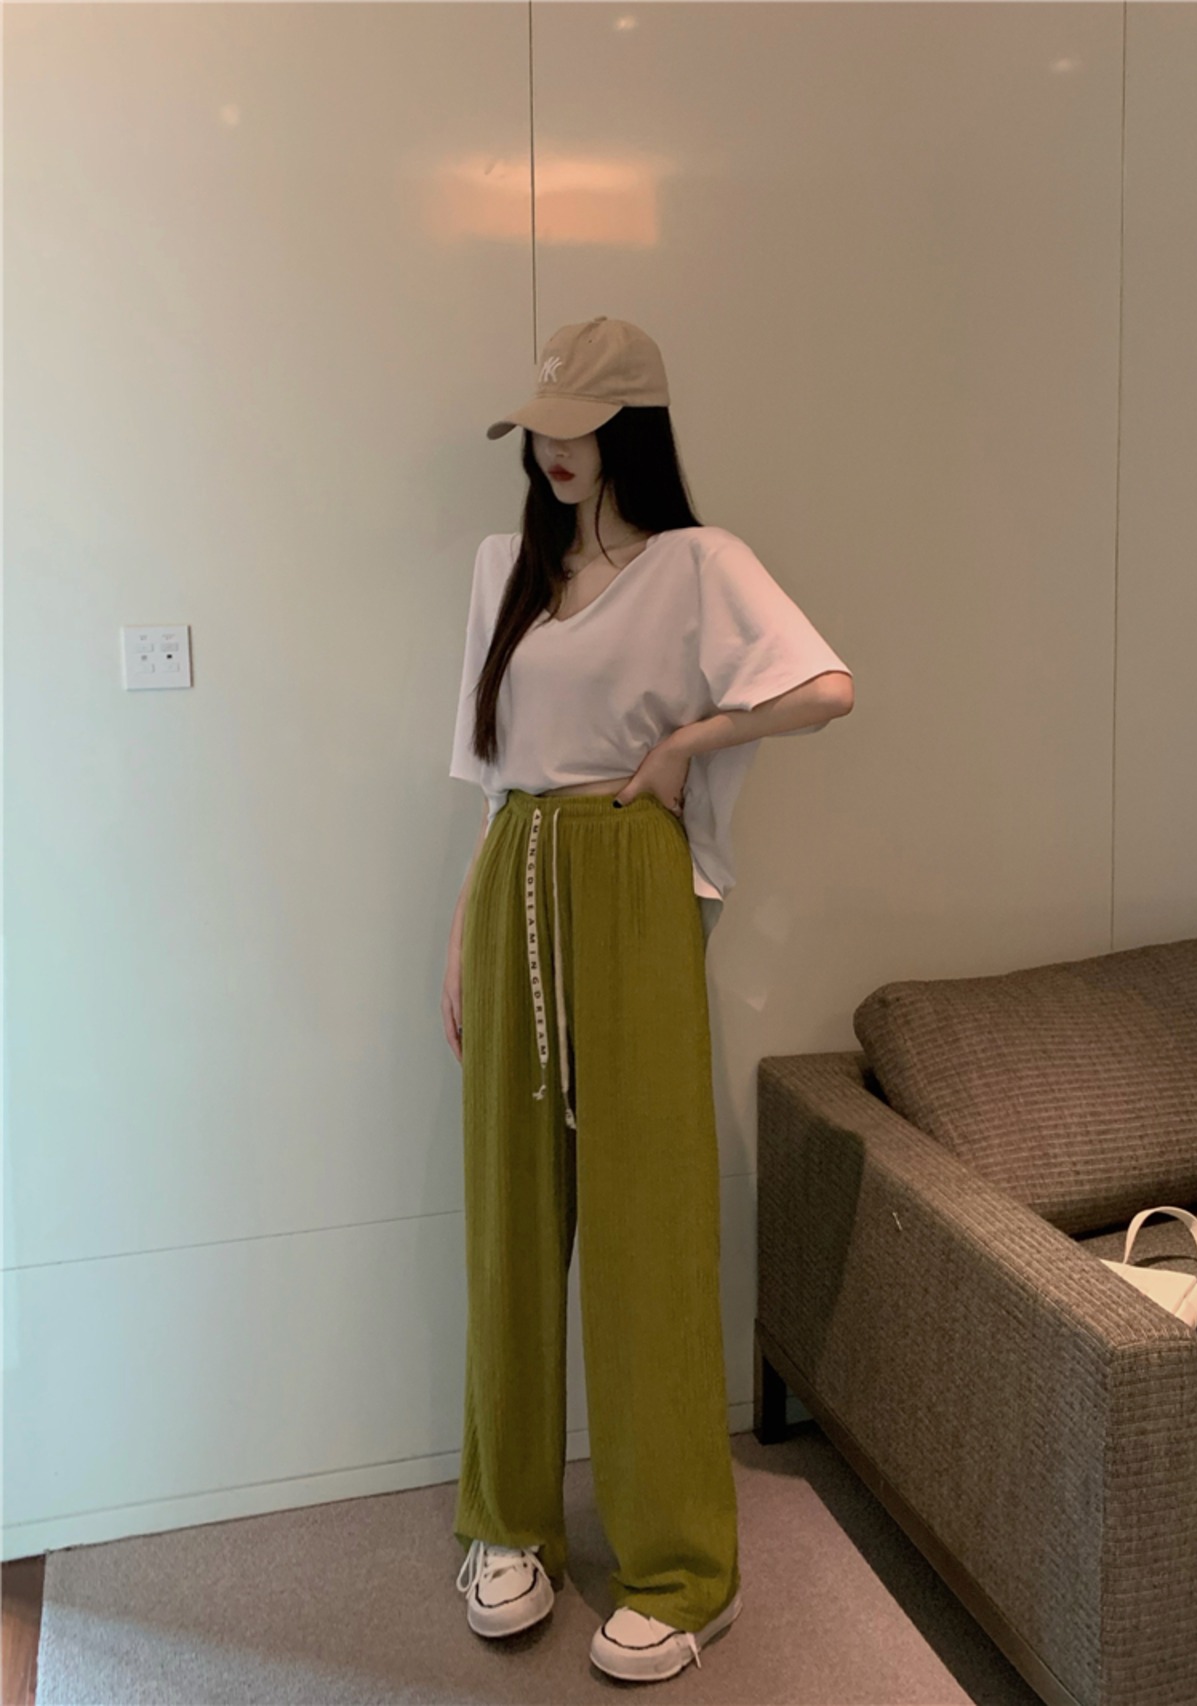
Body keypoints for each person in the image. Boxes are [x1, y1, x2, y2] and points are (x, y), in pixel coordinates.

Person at [442, 317, 854, 1684]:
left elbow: (826, 687)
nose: (556, 453)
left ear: (635, 429)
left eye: (582, 428)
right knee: (510, 1220)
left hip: (629, 879)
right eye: (543, 431)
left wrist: (691, 739)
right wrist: (459, 942)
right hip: (516, 881)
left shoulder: (697, 563)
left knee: (650, 1224)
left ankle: (682, 1568)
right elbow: (495, 783)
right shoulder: (505, 568)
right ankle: (506, 1524)